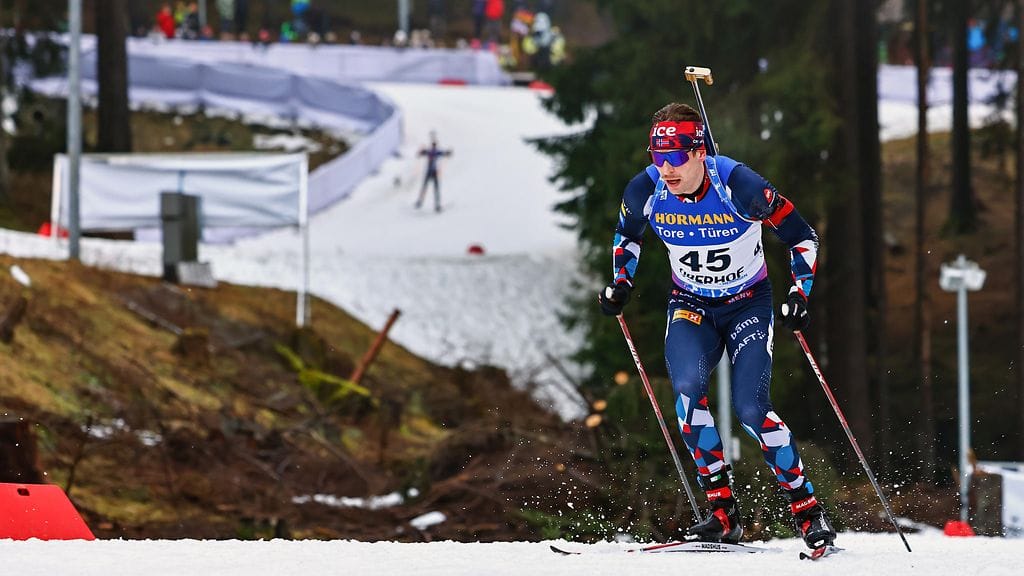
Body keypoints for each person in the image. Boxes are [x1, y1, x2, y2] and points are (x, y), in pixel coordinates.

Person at [597, 102, 836, 550]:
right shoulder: (644, 190)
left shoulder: (739, 186)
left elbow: (802, 236)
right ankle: (723, 513)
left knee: (751, 410)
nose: (665, 167)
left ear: (700, 152)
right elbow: (626, 235)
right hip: (691, 305)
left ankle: (808, 512)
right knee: (688, 396)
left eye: (676, 156)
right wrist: (620, 284)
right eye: (656, 154)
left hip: (747, 304)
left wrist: (799, 295)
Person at [415, 132, 453, 213]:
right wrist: (448, 153)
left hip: (432, 172)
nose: (434, 147)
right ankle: (426, 203)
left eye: (434, 145)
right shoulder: (432, 152)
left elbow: (443, 153)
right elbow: (422, 153)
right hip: (431, 172)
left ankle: (434, 205)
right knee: (428, 188)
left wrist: (448, 153)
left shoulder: (433, 152)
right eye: (433, 145)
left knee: (431, 188)